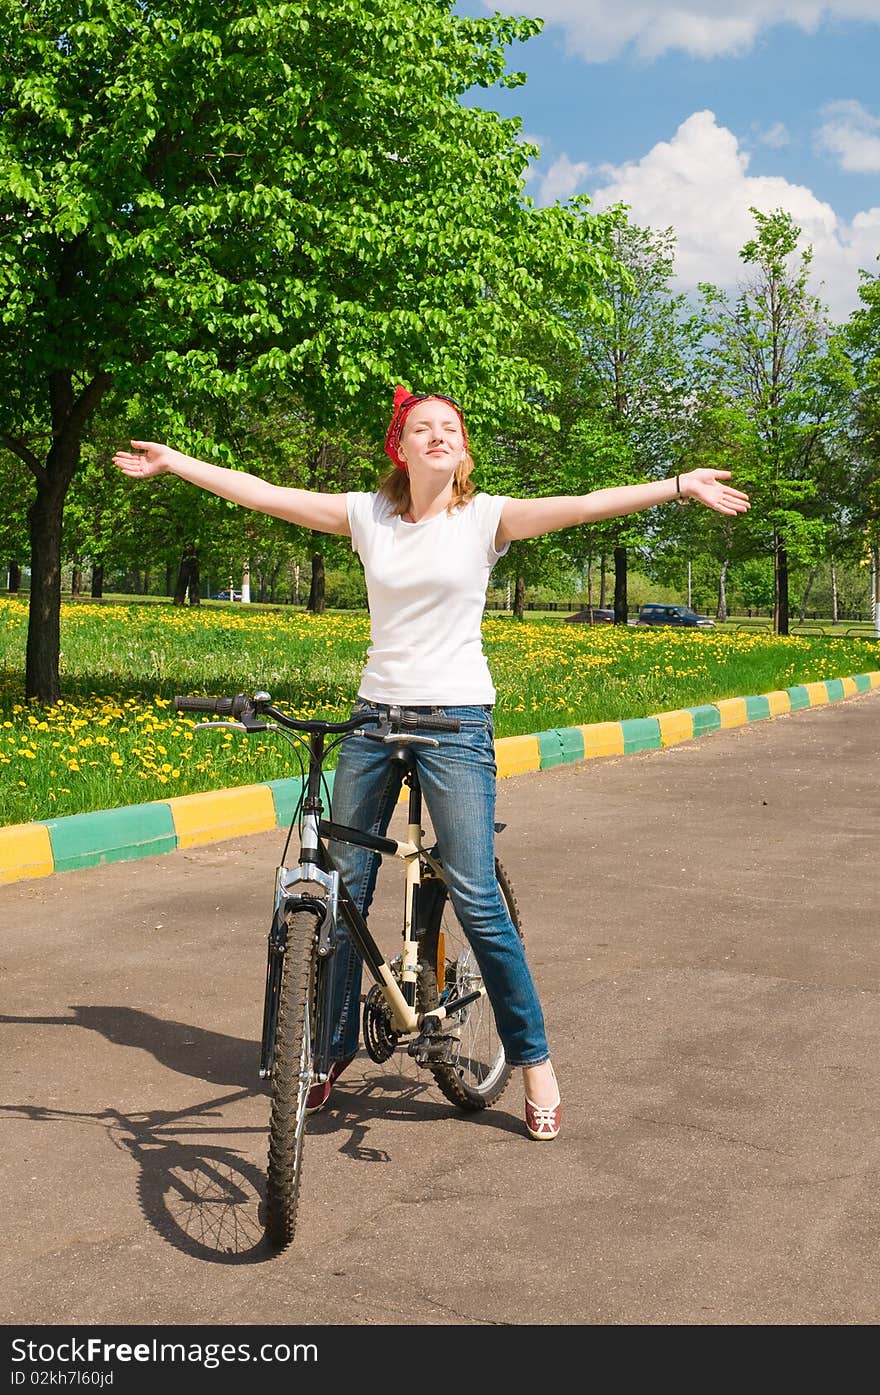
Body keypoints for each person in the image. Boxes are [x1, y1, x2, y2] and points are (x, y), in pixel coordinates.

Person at [113, 386, 749, 1141]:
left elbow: (585, 501)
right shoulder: (368, 515)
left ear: (463, 450)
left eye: (451, 427)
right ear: (401, 447)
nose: (439, 435)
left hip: (456, 723)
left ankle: (534, 1058)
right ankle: (328, 1050)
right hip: (374, 720)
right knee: (343, 890)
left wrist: (678, 485)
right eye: (424, 427)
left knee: (476, 893)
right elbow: (266, 494)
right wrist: (178, 462)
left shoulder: (486, 518)